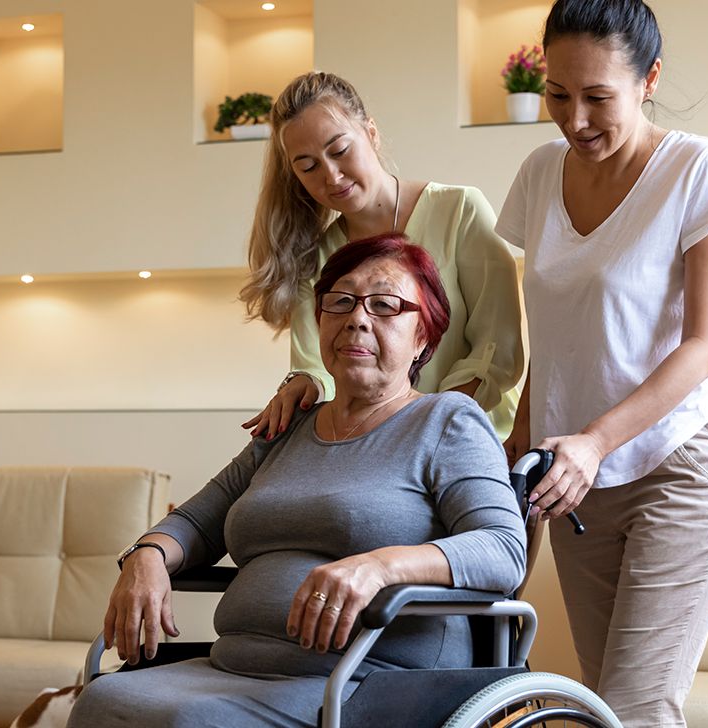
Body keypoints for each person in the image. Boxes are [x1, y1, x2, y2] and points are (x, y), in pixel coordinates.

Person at [66, 235, 525, 727]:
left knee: (191, 722)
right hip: (232, 669)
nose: (357, 318)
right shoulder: (289, 427)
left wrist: (379, 567)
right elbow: (198, 523)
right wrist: (147, 556)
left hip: (367, 680)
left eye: (385, 304)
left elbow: (503, 548)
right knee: (102, 699)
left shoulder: (446, 420)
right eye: (340, 301)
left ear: (424, 338)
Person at [495, 0, 708, 724]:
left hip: (678, 467)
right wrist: (524, 440)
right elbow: (554, 333)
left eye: (597, 98)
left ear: (649, 80)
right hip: (577, 483)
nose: (574, 120)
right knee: (598, 707)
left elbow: (705, 346)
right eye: (557, 94)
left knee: (636, 710)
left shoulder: (699, 169)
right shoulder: (540, 173)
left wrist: (596, 440)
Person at [239, 71, 524, 443]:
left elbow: (497, 346)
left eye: (339, 151)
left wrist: (424, 425)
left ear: (371, 133)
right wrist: (302, 383)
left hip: (468, 438)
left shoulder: (459, 210)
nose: (332, 176)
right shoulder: (318, 254)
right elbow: (316, 366)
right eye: (308, 167)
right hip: (374, 449)